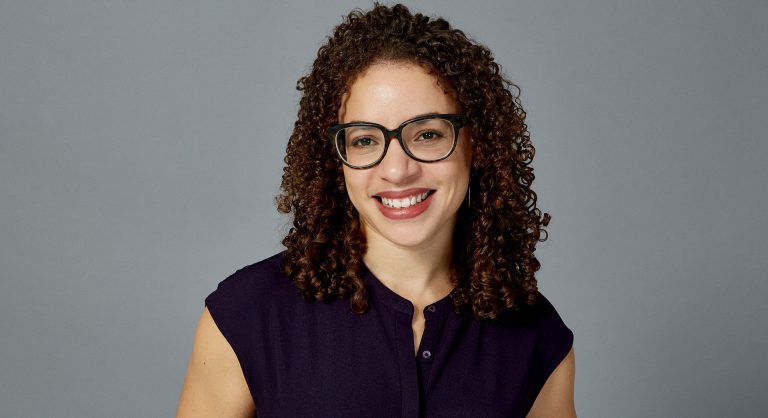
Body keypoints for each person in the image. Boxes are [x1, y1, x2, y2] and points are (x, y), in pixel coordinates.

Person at [177, 4, 575, 417]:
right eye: (365, 140)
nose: (398, 170)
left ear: (477, 145)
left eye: (427, 134)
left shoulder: (539, 339)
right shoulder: (246, 314)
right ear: (337, 159)